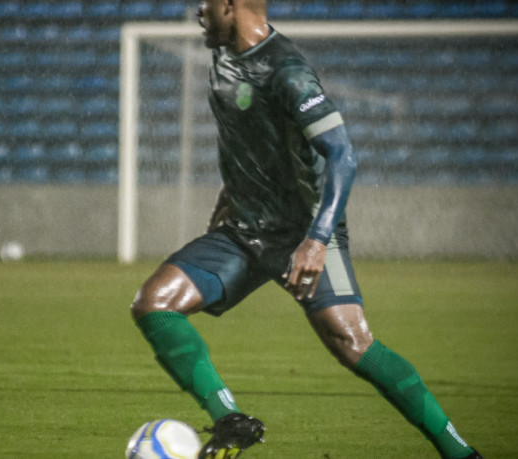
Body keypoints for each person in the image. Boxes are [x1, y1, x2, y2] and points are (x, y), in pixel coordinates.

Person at [129, 1, 484, 458]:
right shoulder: (223, 55)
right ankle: (230, 421)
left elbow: (343, 155)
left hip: (304, 232)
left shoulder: (287, 72)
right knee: (153, 303)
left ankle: (459, 452)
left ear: (231, 5)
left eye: (205, 1)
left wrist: (317, 240)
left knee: (352, 343)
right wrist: (233, 187)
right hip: (245, 228)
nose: (197, 9)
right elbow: (251, 133)